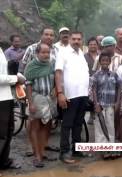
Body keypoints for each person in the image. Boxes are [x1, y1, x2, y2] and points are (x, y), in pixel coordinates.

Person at [20, 26, 58, 156]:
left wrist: (56, 89)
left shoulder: (56, 50)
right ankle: (32, 148)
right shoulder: (31, 48)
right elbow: (24, 67)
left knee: (47, 122)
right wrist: (23, 89)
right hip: (34, 91)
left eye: (51, 35)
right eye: (46, 34)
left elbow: (56, 72)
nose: (49, 37)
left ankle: (43, 147)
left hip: (49, 93)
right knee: (33, 121)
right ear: (41, 35)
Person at [55, 31, 90, 164]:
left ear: (82, 40)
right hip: (69, 95)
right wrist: (60, 93)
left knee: (78, 123)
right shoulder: (63, 53)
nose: (76, 41)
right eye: (74, 39)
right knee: (67, 124)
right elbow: (58, 73)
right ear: (69, 40)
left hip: (82, 95)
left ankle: (77, 150)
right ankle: (64, 153)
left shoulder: (81, 54)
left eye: (79, 39)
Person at [24, 43, 57, 168]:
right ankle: (37, 156)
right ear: (37, 53)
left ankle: (42, 152)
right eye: (43, 52)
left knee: (47, 126)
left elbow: (56, 79)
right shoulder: (31, 66)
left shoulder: (52, 64)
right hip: (36, 98)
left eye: (47, 52)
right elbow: (28, 85)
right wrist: (31, 103)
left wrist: (55, 90)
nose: (46, 55)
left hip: (49, 99)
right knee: (35, 127)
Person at [92, 52, 121, 159]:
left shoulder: (114, 74)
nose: (105, 62)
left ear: (110, 62)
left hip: (110, 105)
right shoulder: (96, 75)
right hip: (100, 105)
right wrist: (96, 104)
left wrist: (117, 102)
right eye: (102, 60)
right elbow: (93, 90)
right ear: (100, 62)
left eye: (107, 60)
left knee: (110, 127)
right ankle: (103, 151)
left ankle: (110, 149)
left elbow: (119, 88)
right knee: (100, 127)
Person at [0, 48, 25, 171]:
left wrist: (16, 76)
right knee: (1, 134)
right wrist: (15, 79)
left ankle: (4, 161)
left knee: (9, 131)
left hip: (7, 96)